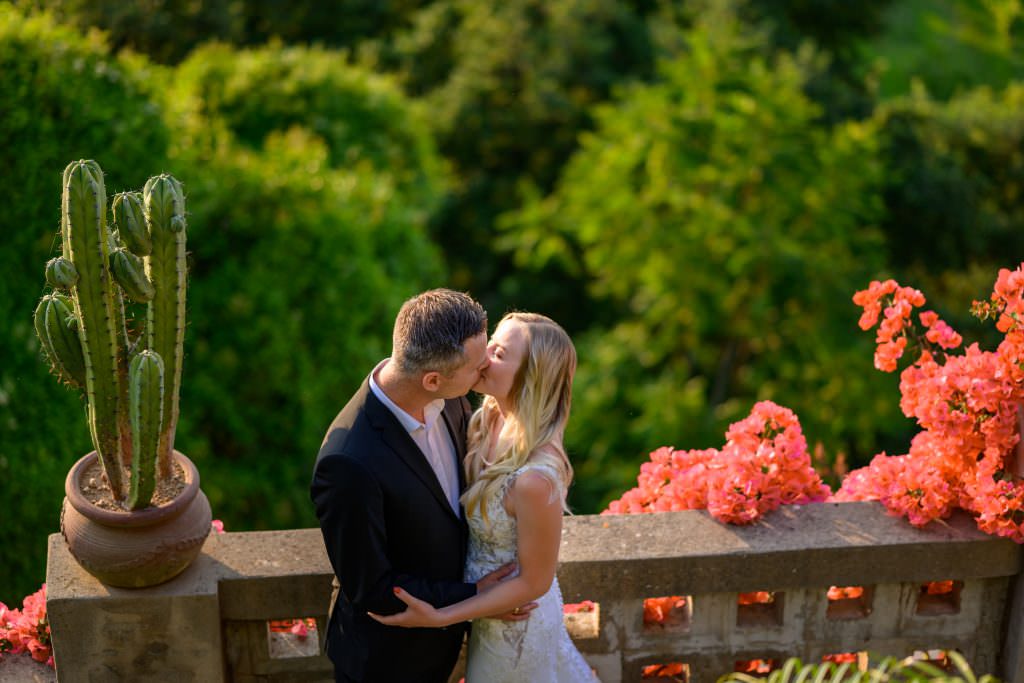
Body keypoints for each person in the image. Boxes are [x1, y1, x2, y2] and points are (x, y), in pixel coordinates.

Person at [311, 290, 534, 683]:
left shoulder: (449, 396)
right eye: (476, 368)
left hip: (451, 645)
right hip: (389, 661)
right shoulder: (348, 463)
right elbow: (374, 589)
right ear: (433, 379)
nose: (484, 371)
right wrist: (476, 600)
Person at [370, 312, 596, 682]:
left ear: (530, 378)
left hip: (515, 632)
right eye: (492, 343)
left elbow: (534, 582)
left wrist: (442, 614)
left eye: (500, 353)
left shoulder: (536, 478)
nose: (484, 356)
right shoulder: (486, 417)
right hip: (484, 614)